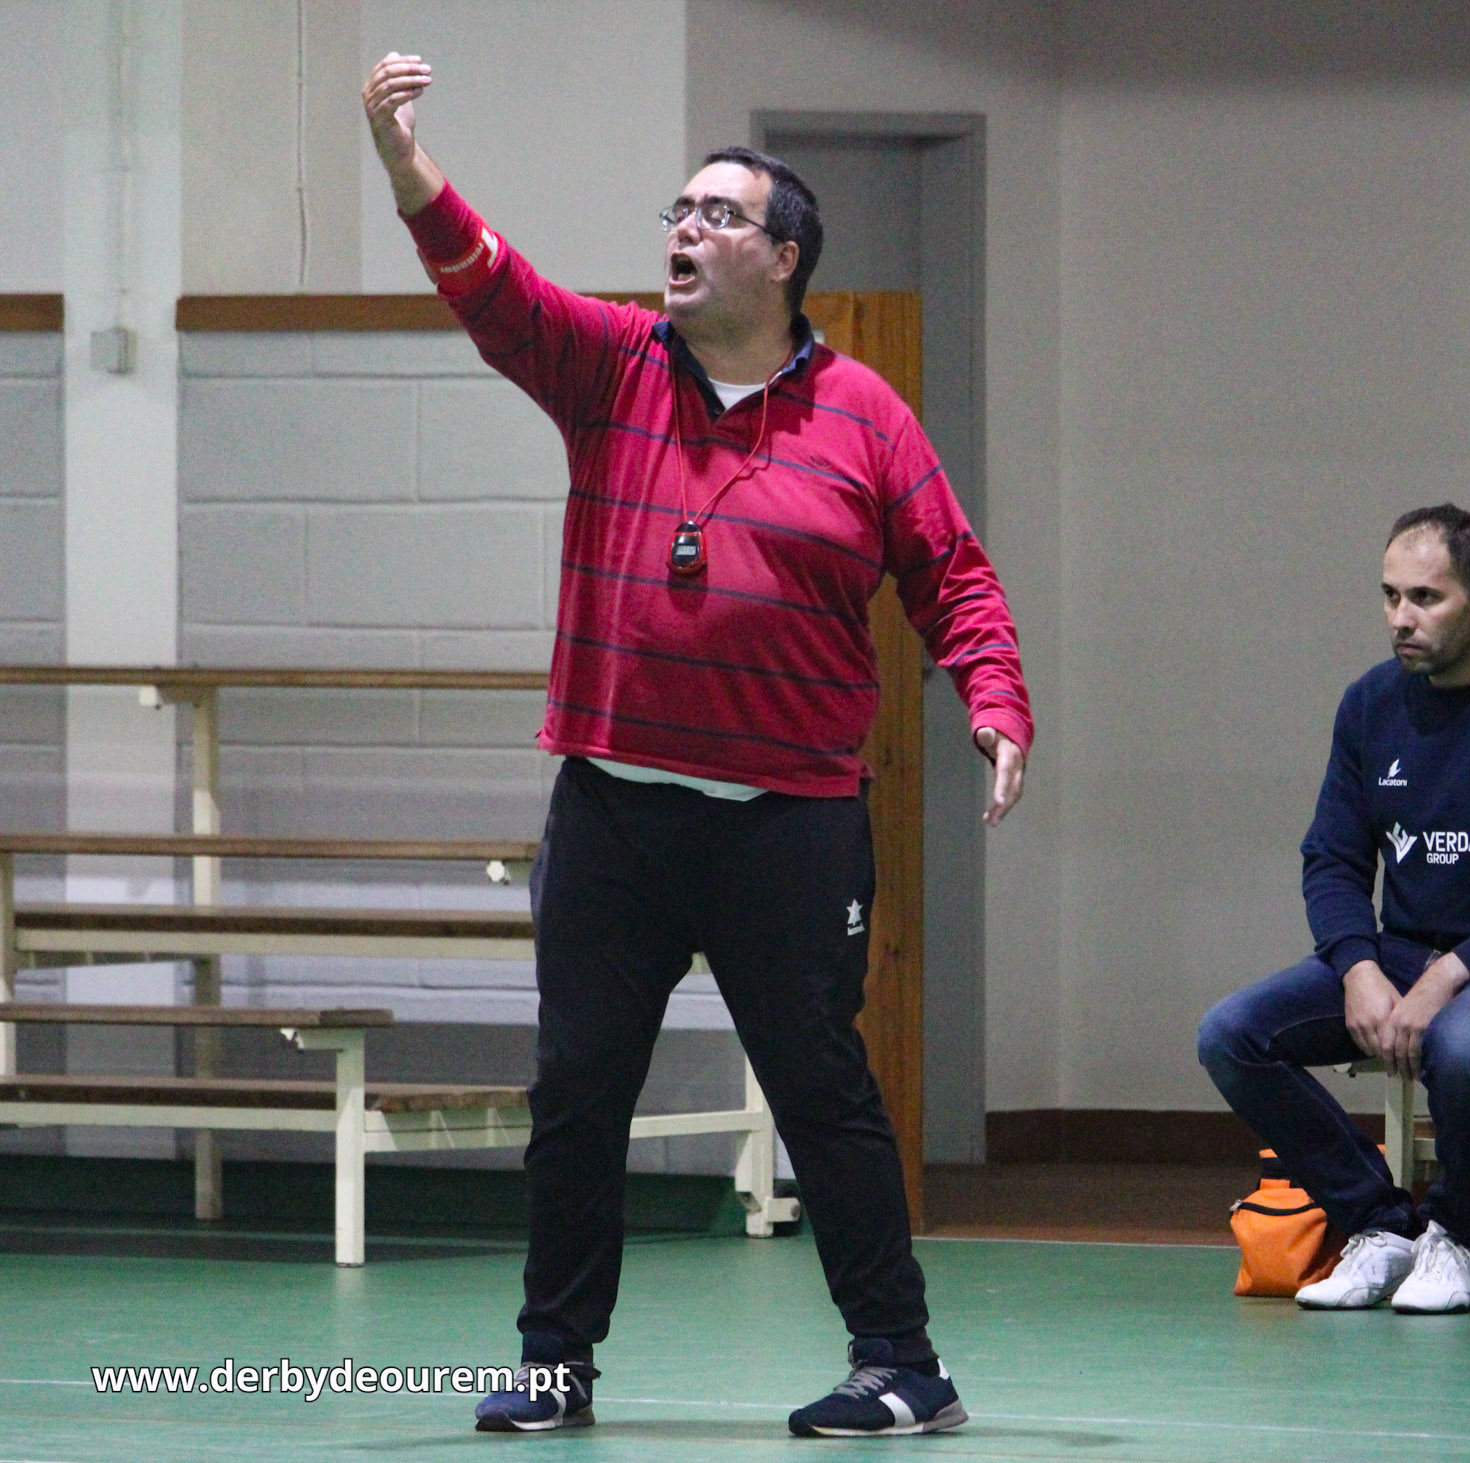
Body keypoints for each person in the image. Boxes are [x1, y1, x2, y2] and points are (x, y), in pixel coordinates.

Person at [361, 55, 1032, 1437]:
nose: (683, 228)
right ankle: (555, 1365)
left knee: (822, 1087)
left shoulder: (866, 415)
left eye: (718, 215)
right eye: (677, 209)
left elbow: (952, 576)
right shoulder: (606, 362)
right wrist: (402, 159)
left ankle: (902, 1361)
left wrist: (995, 699)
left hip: (787, 821)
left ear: (785, 259)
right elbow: (489, 285)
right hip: (613, 810)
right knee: (577, 1092)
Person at [1197, 505, 1470, 1314]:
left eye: (1425, 597)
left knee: (1460, 1045)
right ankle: (1379, 1222)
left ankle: (1460, 1237)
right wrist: (1359, 966)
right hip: (1401, 949)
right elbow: (1331, 858)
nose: (1401, 618)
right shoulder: (1368, 705)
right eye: (1390, 596)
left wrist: (1446, 979)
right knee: (1231, 1033)